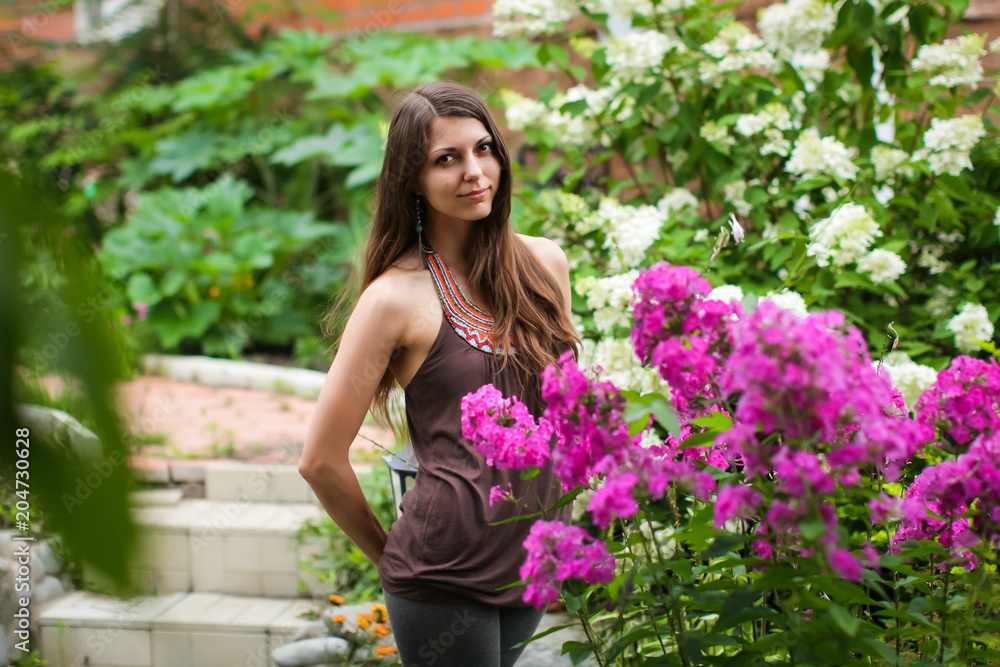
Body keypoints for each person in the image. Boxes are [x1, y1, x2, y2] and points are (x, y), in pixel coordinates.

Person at [298, 81, 582, 666]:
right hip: (442, 574)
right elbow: (320, 461)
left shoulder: (546, 264)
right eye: (446, 159)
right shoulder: (393, 301)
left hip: (531, 559)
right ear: (412, 181)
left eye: (483, 149)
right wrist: (393, 560)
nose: (474, 172)